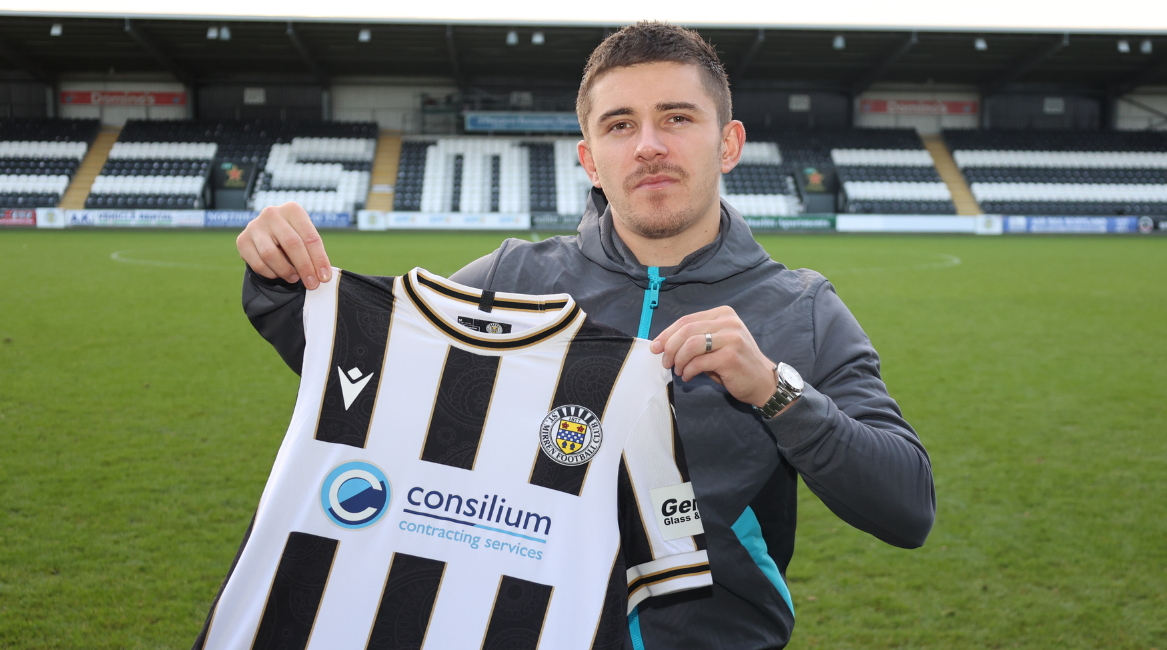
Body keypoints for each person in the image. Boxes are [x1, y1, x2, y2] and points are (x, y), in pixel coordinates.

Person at [236, 21, 934, 650]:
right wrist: (278, 278)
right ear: (590, 159)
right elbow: (370, 369)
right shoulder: (512, 275)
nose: (650, 145)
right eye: (621, 125)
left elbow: (907, 508)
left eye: (677, 118)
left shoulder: (800, 309)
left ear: (729, 144)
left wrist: (777, 392)